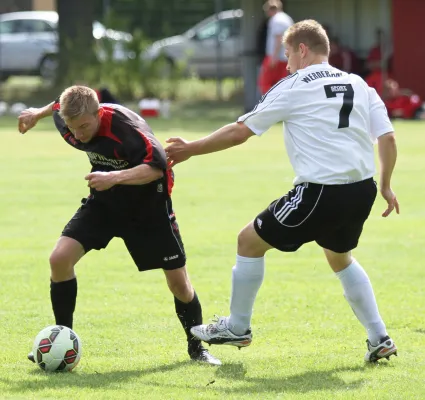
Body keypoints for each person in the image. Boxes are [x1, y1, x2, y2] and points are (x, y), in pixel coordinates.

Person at [165, 20, 399, 363]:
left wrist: (191, 149)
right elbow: (388, 138)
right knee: (339, 257)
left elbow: (238, 132)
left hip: (320, 191)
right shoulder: (358, 83)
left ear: (302, 50)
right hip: (362, 190)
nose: (286, 62)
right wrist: (388, 184)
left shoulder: (295, 84)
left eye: (288, 53)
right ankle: (380, 337)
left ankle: (238, 327)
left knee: (248, 241)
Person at [17, 86, 221, 366]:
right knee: (59, 258)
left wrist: (113, 177)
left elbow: (158, 167)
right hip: (106, 204)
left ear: (98, 112)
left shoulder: (127, 127)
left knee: (179, 285)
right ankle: (61, 340)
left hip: (149, 209)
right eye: (72, 128)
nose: (78, 135)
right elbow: (57, 104)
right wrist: (34, 114)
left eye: (84, 126)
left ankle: (197, 350)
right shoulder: (72, 118)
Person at [258, 0, 293, 95]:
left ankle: (267, 104)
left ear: (270, 9)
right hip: (286, 57)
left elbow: (279, 39)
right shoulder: (287, 18)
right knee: (281, 84)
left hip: (276, 57)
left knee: (264, 83)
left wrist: (274, 57)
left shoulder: (277, 20)